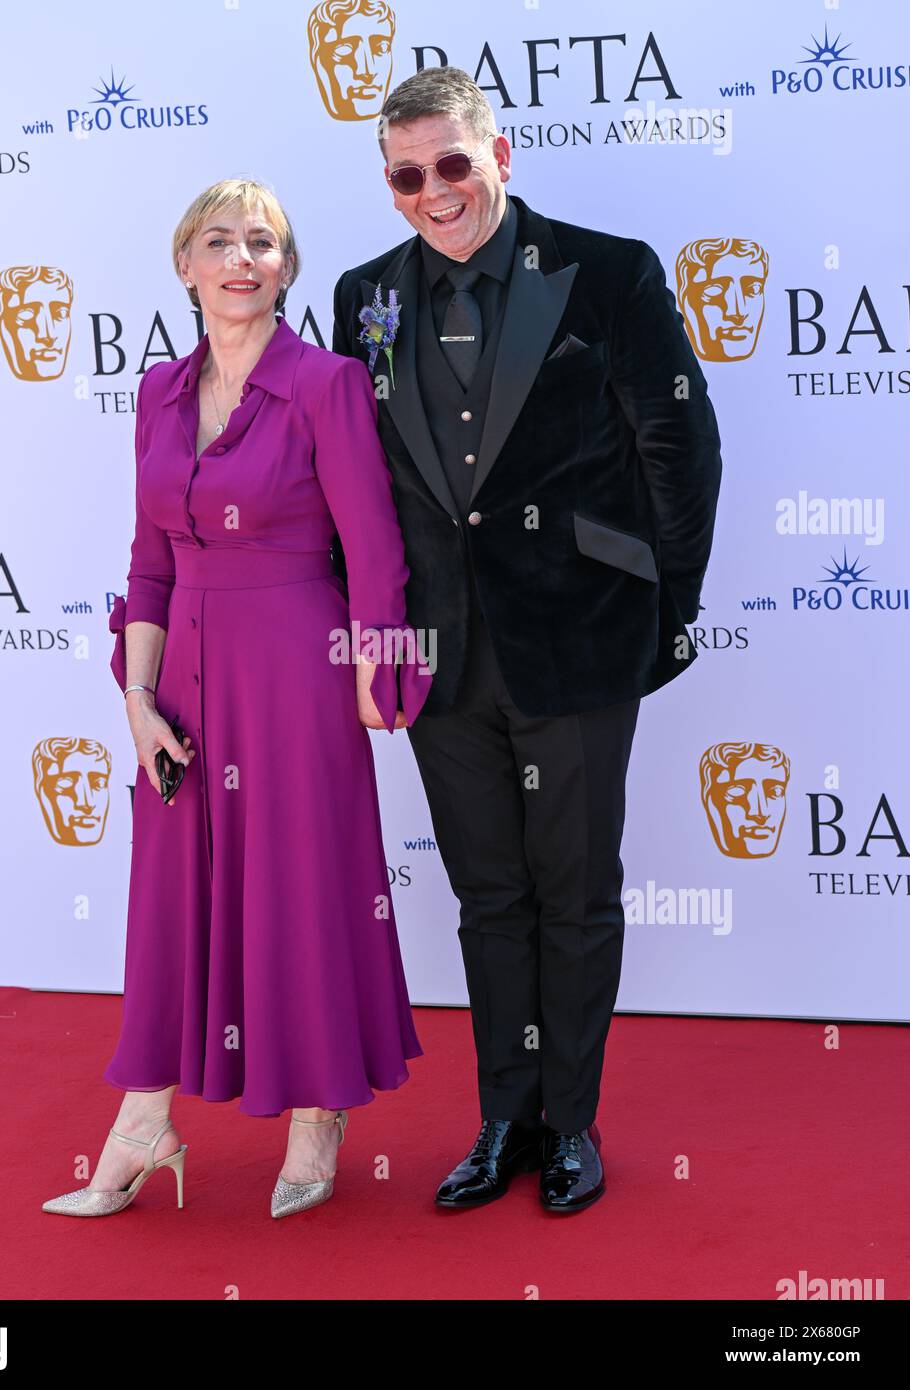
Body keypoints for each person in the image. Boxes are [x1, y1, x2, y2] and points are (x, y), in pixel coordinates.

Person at [332, 66, 722, 1213]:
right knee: (486, 891)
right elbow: (366, 486)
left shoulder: (607, 271)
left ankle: (572, 1124)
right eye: (407, 176)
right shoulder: (366, 297)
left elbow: (678, 447)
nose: (432, 192)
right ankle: (504, 1116)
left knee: (573, 886)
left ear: (499, 154)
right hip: (438, 655)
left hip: (581, 636)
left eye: (452, 164)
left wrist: (665, 607)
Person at [43, 177, 432, 1221]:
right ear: (185, 264)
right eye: (219, 241)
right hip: (183, 684)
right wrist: (134, 696)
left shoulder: (327, 383)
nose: (241, 258)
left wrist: (378, 674)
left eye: (263, 242)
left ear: (287, 269)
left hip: (297, 672)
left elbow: (374, 546)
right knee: (174, 899)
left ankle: (317, 1115)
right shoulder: (159, 392)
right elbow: (149, 559)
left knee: (301, 887)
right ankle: (144, 1118)